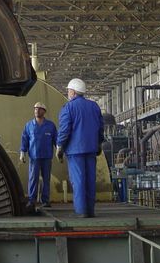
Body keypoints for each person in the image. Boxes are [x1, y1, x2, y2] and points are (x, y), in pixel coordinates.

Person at [56, 78, 104, 218]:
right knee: (90, 180)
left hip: (75, 151)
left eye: (69, 90)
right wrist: (99, 143)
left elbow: (64, 130)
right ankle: (90, 210)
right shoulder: (94, 106)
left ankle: (81, 211)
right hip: (91, 148)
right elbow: (101, 128)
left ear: (73, 92)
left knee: (78, 181)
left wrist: (59, 147)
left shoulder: (68, 108)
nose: (68, 93)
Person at [19, 102, 57, 210]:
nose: (37, 111)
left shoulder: (50, 126)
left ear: (44, 111)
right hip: (34, 157)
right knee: (33, 178)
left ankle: (45, 200)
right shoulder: (29, 125)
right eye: (35, 109)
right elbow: (24, 139)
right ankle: (31, 200)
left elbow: (56, 139)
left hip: (46, 157)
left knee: (46, 179)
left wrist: (59, 150)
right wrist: (22, 152)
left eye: (39, 109)